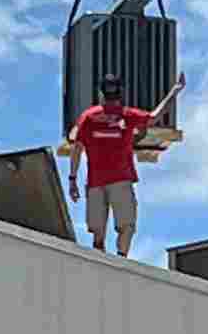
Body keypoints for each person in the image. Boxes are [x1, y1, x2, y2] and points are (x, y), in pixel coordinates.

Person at [67, 70, 183, 255]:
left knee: (104, 231)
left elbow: (76, 149)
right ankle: (116, 259)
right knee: (121, 227)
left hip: (103, 182)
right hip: (114, 181)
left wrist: (72, 179)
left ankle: (110, 259)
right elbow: (154, 116)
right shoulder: (114, 116)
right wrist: (174, 92)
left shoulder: (91, 116)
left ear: (102, 92)